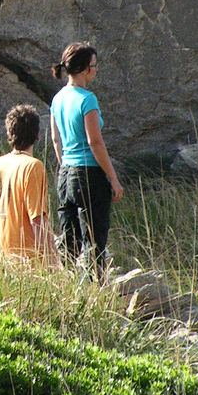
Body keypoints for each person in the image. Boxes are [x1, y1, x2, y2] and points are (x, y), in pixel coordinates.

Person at [49, 42, 123, 281]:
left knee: (69, 241)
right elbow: (95, 142)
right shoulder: (87, 100)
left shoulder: (58, 99)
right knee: (94, 241)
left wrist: (65, 167)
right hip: (89, 175)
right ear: (83, 70)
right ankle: (95, 294)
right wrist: (113, 178)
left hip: (66, 174)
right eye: (94, 65)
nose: (96, 69)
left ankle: (66, 288)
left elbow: (55, 139)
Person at [0, 104, 57, 264]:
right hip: (29, 260)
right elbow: (37, 220)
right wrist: (53, 263)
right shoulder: (33, 166)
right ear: (37, 133)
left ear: (9, 132)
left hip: (4, 258)